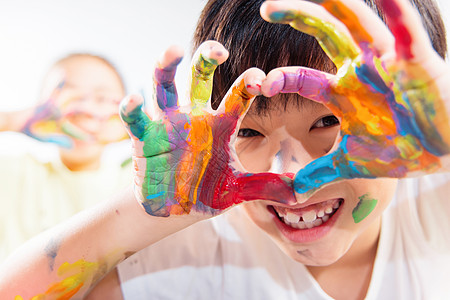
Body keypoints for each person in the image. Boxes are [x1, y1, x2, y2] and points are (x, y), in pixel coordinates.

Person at [1, 0, 449, 299]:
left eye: (327, 121)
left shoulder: (435, 208)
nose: (289, 172)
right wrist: (144, 214)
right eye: (250, 133)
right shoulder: (195, 255)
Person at [0, 53, 132, 261]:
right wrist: (10, 121)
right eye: (70, 97)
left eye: (102, 98)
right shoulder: (18, 174)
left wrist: (144, 131)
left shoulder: (134, 182)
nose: (85, 110)